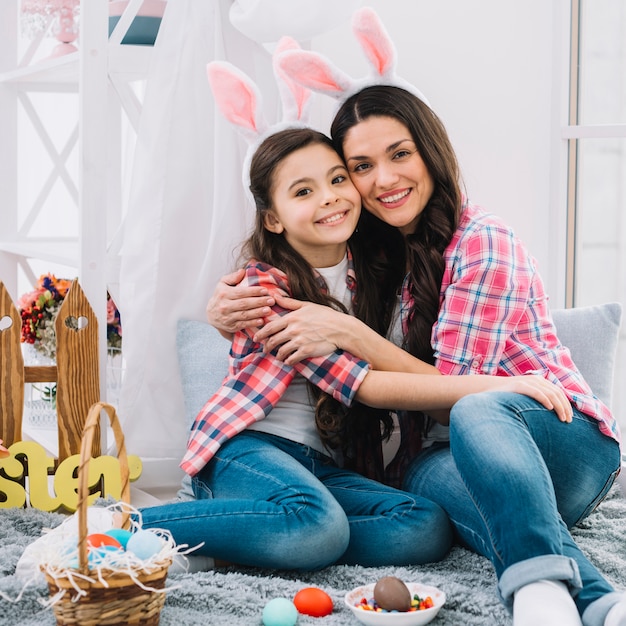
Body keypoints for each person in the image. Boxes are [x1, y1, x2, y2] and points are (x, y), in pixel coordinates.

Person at [206, 85, 624, 625]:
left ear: (430, 150)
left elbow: (454, 397)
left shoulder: (482, 241)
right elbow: (286, 270)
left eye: (400, 154)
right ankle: (593, 603)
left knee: (478, 407)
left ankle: (538, 592)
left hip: (557, 440)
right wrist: (224, 309)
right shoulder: (369, 256)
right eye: (360, 165)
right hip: (449, 460)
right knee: (426, 503)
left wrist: (351, 332)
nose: (383, 179)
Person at [141, 124, 578, 573]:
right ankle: (128, 525)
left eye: (336, 179)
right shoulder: (266, 289)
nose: (329, 197)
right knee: (317, 523)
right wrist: (498, 388)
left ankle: (255, 539)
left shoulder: (373, 276)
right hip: (248, 452)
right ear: (273, 218)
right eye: (303, 191)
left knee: (423, 525)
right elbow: (365, 385)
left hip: (320, 467)